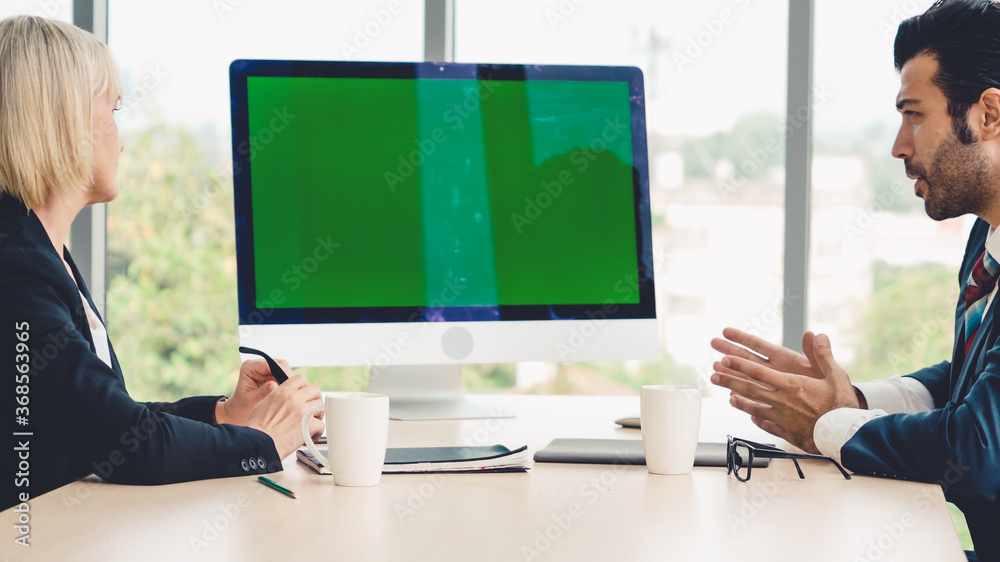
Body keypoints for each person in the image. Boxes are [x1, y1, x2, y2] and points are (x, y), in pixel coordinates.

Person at [710, 0, 1000, 559]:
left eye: (914, 114)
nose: (899, 145)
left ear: (988, 114)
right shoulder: (986, 237)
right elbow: (972, 379)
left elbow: (979, 451)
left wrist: (832, 423)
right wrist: (855, 400)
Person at [0, 15, 324, 511]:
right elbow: (128, 447)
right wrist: (264, 440)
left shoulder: (42, 254)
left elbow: (104, 419)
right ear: (64, 121)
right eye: (112, 108)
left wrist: (224, 415)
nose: (122, 139)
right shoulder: (16, 269)